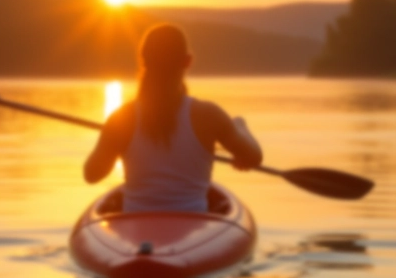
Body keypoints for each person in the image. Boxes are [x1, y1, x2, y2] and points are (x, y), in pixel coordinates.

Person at [83, 24, 263, 212]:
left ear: (143, 61)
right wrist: (240, 126)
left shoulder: (122, 118)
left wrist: (113, 140)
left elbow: (91, 175)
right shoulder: (209, 115)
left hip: (135, 228)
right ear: (187, 61)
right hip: (193, 226)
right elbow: (254, 157)